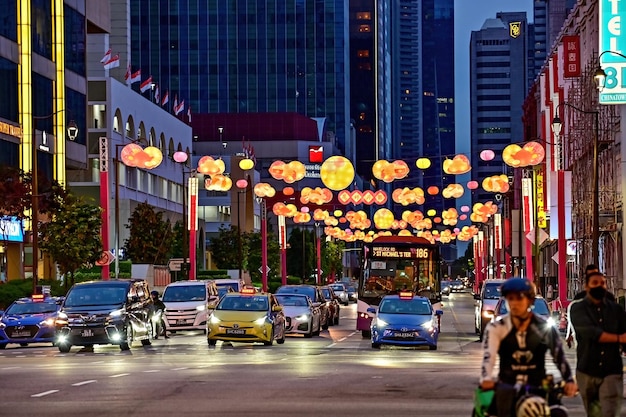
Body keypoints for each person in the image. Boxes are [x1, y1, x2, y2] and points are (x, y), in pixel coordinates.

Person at [479, 278, 577, 416]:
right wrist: (486, 379)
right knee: (487, 412)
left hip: (539, 386)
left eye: (519, 298)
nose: (514, 303)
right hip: (507, 386)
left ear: (530, 300)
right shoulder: (496, 327)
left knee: (559, 413)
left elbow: (558, 355)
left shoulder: (542, 326)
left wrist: (569, 380)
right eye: (510, 298)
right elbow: (489, 356)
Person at [570, 272, 626, 417]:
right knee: (594, 413)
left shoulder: (616, 310)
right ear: (586, 286)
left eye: (602, 283)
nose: (600, 286)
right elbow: (593, 334)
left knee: (609, 412)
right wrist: (620, 338)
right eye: (595, 283)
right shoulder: (578, 309)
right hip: (587, 370)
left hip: (611, 370)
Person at [565, 264, 600, 348]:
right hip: (584, 344)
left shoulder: (608, 298)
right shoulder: (579, 299)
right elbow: (572, 318)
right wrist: (569, 334)